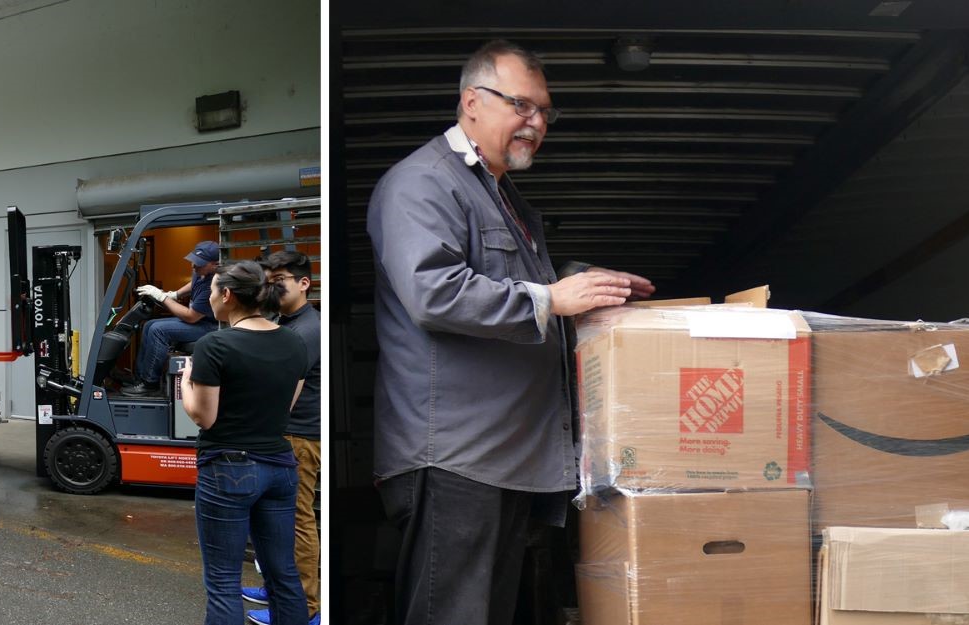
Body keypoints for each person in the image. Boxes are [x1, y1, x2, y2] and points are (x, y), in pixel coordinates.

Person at [365, 39, 655, 625]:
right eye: (522, 105)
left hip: (502, 457)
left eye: (545, 111)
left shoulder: (500, 196)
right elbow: (434, 292)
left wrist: (578, 282)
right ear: (471, 101)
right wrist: (552, 297)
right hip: (455, 456)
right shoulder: (422, 183)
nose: (537, 123)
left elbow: (512, 285)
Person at [178, 260, 308, 625]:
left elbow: (205, 417)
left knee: (223, 581)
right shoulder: (295, 343)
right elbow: (286, 407)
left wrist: (186, 382)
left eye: (214, 290)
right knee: (283, 574)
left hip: (228, 468)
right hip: (281, 468)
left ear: (227, 295)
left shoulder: (214, 345)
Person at [242, 249, 321, 625]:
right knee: (276, 521)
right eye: (267, 284)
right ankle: (278, 589)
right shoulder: (288, 322)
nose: (272, 291)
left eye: (280, 284)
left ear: (304, 283)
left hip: (298, 438)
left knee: (296, 522)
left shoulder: (306, 331)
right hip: (287, 435)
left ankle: (303, 606)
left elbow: (284, 393)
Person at [123, 240, 221, 396]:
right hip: (199, 321)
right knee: (148, 325)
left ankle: (150, 383)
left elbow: (191, 317)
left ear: (215, 265)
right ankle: (140, 378)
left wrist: (162, 298)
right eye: (193, 261)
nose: (193, 266)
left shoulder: (213, 285)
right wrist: (174, 294)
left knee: (158, 330)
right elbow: (193, 283)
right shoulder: (201, 270)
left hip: (208, 326)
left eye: (199, 264)